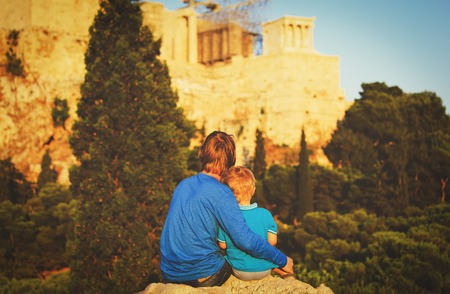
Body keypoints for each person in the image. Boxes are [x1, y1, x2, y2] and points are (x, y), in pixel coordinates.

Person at [159, 131, 294, 287]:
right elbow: (245, 241)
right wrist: (282, 259)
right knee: (241, 262)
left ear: (202, 153)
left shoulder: (183, 185)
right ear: (232, 158)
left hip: (170, 273)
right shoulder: (222, 193)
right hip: (202, 276)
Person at [218, 166, 295, 281]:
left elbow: (222, 245)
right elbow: (272, 242)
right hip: (264, 270)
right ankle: (285, 274)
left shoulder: (226, 217)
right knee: (269, 258)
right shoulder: (265, 214)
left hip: (239, 271)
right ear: (253, 190)